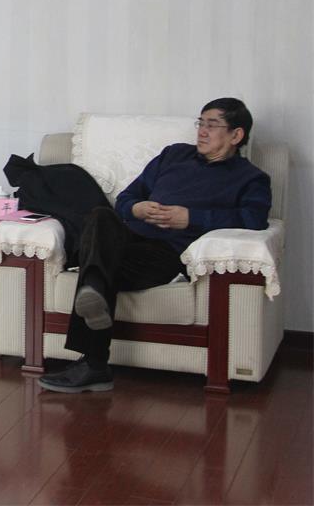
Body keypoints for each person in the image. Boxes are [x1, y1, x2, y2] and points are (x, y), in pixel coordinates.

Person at [39, 98, 272, 392]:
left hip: (167, 254)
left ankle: (94, 356)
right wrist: (137, 209)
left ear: (236, 135)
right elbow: (125, 199)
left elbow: (254, 219)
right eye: (201, 123)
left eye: (212, 125)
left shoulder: (250, 178)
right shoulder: (174, 155)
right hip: (127, 239)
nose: (202, 131)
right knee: (100, 215)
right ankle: (94, 296)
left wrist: (191, 218)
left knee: (97, 268)